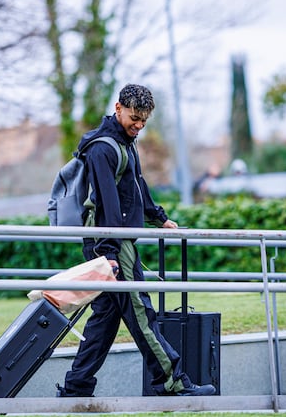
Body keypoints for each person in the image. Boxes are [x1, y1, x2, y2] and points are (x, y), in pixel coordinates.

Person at [56, 84, 215, 398]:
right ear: (118, 108)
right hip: (111, 242)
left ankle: (76, 387)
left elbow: (135, 185)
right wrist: (109, 251)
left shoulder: (124, 142)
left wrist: (158, 217)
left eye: (144, 120)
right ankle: (173, 383)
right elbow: (106, 202)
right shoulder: (103, 148)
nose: (139, 125)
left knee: (105, 317)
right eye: (134, 118)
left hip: (110, 241)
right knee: (142, 315)